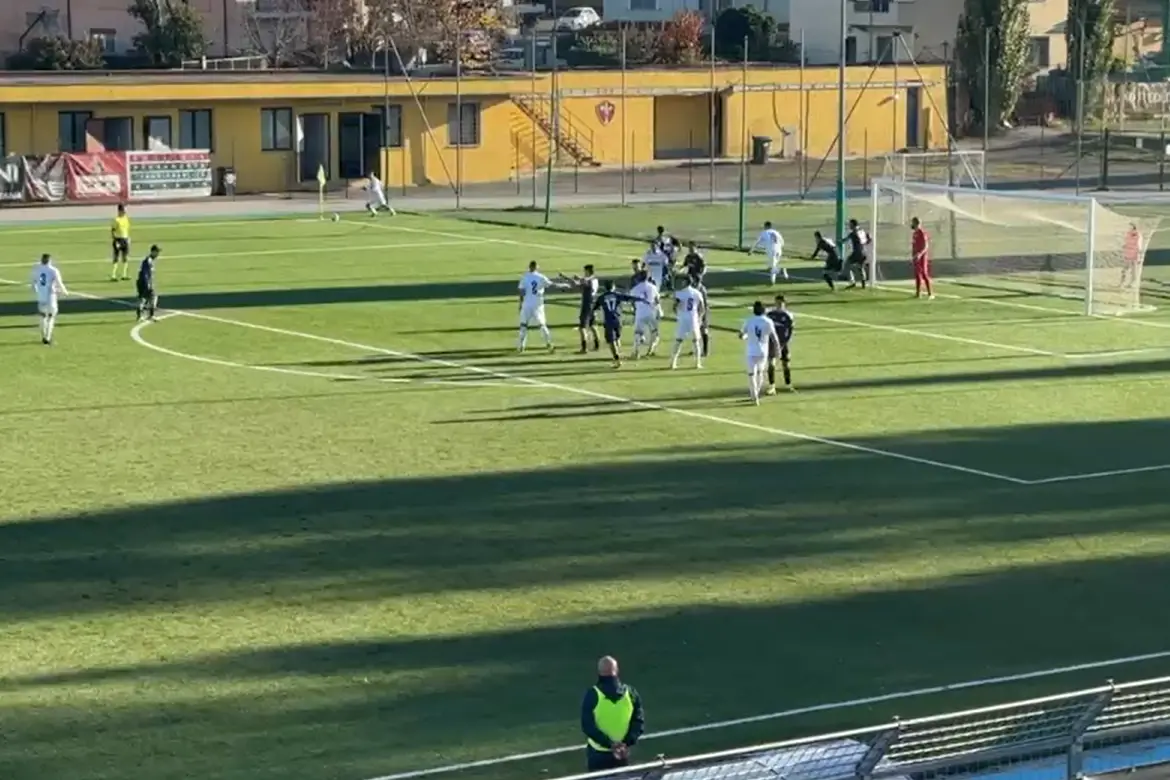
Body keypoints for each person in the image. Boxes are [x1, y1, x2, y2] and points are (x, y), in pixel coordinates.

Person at [581, 656, 644, 773]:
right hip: (622, 753)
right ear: (617, 670)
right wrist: (626, 743)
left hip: (598, 753)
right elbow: (638, 721)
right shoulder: (630, 693)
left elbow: (587, 726)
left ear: (599, 672)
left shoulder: (592, 695)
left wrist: (610, 744)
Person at [593, 280, 642, 368]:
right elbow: (629, 298)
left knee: (611, 341)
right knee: (616, 339)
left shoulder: (601, 297)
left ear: (605, 288)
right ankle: (618, 353)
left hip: (609, 321)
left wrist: (594, 315)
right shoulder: (617, 295)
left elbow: (594, 308)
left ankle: (617, 360)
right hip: (618, 320)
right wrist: (641, 299)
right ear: (613, 287)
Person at [517, 260, 563, 352]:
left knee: (523, 325)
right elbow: (552, 285)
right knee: (542, 325)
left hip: (527, 304)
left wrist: (520, 304)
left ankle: (521, 346)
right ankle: (549, 344)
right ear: (536, 267)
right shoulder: (541, 277)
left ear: (529, 267)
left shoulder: (525, 277)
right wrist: (562, 286)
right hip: (538, 305)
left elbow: (521, 292)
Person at [740, 301, 780, 405]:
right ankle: (757, 392)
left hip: (751, 351)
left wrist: (745, 336)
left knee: (751, 374)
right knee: (760, 373)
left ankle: (754, 396)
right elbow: (774, 338)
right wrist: (778, 350)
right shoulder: (768, 321)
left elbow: (742, 334)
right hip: (763, 351)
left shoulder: (749, 321)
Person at [31, 253, 67, 345]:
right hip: (51, 296)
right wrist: (64, 291)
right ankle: (48, 337)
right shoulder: (53, 270)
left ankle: (43, 337)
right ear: (50, 261)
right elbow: (59, 283)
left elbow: (33, 284)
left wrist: (38, 291)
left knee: (43, 317)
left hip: (41, 297)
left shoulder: (37, 270)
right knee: (51, 317)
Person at [670, 275, 704, 370]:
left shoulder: (679, 293)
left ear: (685, 282)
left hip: (683, 319)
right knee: (696, 341)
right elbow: (702, 307)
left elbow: (674, 306)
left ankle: (673, 362)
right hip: (693, 318)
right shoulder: (697, 292)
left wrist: (677, 314)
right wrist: (699, 318)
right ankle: (697, 363)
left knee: (678, 341)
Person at [766, 294, 795, 394]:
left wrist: (785, 342)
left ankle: (788, 385)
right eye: (777, 303)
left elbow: (790, 331)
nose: (779, 305)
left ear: (784, 304)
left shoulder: (788, 315)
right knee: (771, 364)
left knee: (786, 364)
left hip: (783, 343)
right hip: (772, 343)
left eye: (781, 303)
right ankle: (772, 387)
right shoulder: (770, 314)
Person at [629, 271, 661, 360]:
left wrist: (635, 309)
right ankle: (650, 350)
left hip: (640, 312)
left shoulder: (635, 289)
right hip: (651, 312)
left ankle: (636, 352)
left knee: (638, 333)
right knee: (654, 332)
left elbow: (632, 301)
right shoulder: (653, 287)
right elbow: (657, 300)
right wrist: (657, 310)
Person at [573, 264, 601, 353]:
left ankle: (584, 347)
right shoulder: (595, 280)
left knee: (582, 327)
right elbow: (582, 284)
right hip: (592, 304)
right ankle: (597, 345)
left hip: (586, 304)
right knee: (593, 325)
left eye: (585, 271)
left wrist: (579, 279)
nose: (584, 273)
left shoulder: (590, 280)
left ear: (588, 271)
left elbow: (585, 282)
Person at [750, 220, 786, 285]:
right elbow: (782, 242)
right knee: (771, 266)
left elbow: (756, 242)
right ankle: (778, 271)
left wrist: (751, 250)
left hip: (771, 251)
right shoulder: (776, 232)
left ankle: (774, 279)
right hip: (778, 250)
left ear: (766, 226)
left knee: (773, 266)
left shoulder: (764, 233)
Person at [136, 244, 161, 322]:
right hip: (145, 283)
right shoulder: (148, 261)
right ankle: (150, 315)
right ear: (153, 252)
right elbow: (145, 273)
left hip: (142, 282)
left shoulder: (148, 260)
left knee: (144, 299)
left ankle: (141, 316)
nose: (158, 254)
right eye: (157, 252)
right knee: (151, 298)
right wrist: (148, 284)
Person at [910, 216, 933, 299]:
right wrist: (913, 255)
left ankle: (930, 293)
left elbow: (926, 246)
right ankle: (918, 293)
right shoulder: (914, 234)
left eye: (913, 223)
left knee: (924, 274)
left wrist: (920, 254)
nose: (911, 224)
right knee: (917, 275)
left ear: (917, 224)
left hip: (922, 257)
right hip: (916, 257)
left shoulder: (922, 233)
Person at [845, 219, 872, 289]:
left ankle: (852, 282)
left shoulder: (853, 233)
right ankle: (863, 284)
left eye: (850, 224)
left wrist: (840, 241)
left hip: (857, 253)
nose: (849, 226)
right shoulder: (862, 231)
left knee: (847, 265)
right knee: (860, 267)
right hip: (863, 252)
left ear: (853, 225)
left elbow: (845, 239)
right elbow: (868, 240)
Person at [110, 204, 132, 281]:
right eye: (122, 210)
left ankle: (124, 274)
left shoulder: (126, 219)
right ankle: (113, 275)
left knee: (125, 257)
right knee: (116, 258)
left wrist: (128, 238)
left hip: (125, 239)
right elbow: (112, 230)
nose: (124, 212)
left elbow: (127, 229)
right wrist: (115, 240)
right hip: (118, 239)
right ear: (119, 211)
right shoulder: (116, 220)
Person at [1121, 223, 1141, 288]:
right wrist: (1125, 246)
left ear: (1133, 227)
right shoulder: (1128, 234)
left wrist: (1138, 256)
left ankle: (1132, 283)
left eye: (1130, 227)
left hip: (1134, 255)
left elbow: (1138, 246)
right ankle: (1122, 282)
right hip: (1127, 254)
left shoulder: (1137, 235)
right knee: (1124, 269)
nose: (1128, 228)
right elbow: (1127, 242)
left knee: (1133, 270)